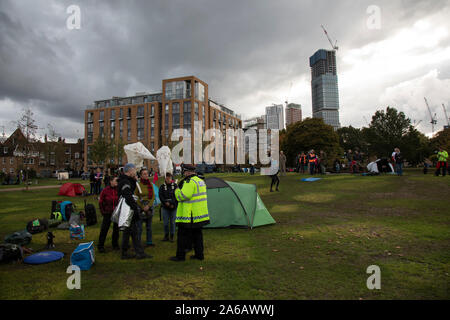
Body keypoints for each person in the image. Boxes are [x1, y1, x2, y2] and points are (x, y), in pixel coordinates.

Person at [170, 164, 210, 262]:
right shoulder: (200, 181)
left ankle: (180, 256)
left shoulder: (189, 182)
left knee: (182, 236)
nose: (184, 174)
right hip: (200, 214)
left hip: (189, 214)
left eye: (184, 172)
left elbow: (183, 196)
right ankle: (199, 255)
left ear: (187, 172)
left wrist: (176, 191)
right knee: (197, 236)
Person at [118, 163, 150, 260]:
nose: (135, 172)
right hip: (128, 210)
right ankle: (136, 252)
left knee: (131, 232)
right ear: (129, 171)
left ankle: (130, 252)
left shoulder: (128, 181)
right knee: (131, 231)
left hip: (129, 209)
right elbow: (128, 195)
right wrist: (134, 208)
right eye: (134, 170)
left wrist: (134, 181)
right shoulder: (125, 182)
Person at [98, 176, 120, 253]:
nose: (116, 182)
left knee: (116, 229)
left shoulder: (118, 190)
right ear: (111, 181)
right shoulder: (105, 190)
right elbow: (101, 202)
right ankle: (100, 245)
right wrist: (103, 211)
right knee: (104, 229)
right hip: (107, 212)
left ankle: (115, 244)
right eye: (115, 180)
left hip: (116, 213)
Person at [135, 168, 155, 247]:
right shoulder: (138, 185)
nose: (146, 175)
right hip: (141, 207)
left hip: (149, 206)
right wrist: (142, 206)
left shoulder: (150, 184)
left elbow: (153, 196)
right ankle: (138, 242)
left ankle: (149, 241)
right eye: (144, 174)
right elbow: (136, 197)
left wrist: (149, 205)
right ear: (141, 175)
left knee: (149, 226)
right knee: (139, 227)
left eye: (146, 174)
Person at [159, 172, 178, 242]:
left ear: (171, 178)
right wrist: (165, 202)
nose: (168, 180)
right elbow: (160, 196)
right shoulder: (162, 187)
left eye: (169, 178)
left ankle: (172, 236)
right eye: (166, 178)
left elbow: (177, 196)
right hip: (165, 207)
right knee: (166, 222)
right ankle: (166, 235)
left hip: (173, 207)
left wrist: (173, 204)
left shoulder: (175, 186)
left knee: (173, 222)